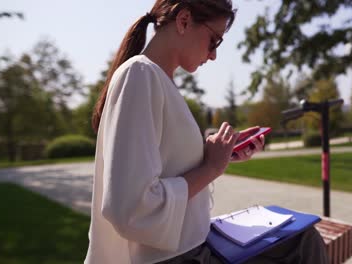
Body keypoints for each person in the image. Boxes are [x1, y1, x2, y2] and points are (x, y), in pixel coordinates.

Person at [84, 0, 329, 263]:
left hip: (186, 249)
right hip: (175, 257)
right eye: (215, 41)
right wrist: (211, 168)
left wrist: (220, 154)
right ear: (184, 20)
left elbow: (166, 164)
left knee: (302, 238)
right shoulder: (140, 75)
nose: (213, 55)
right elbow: (130, 208)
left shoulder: (155, 79)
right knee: (304, 243)